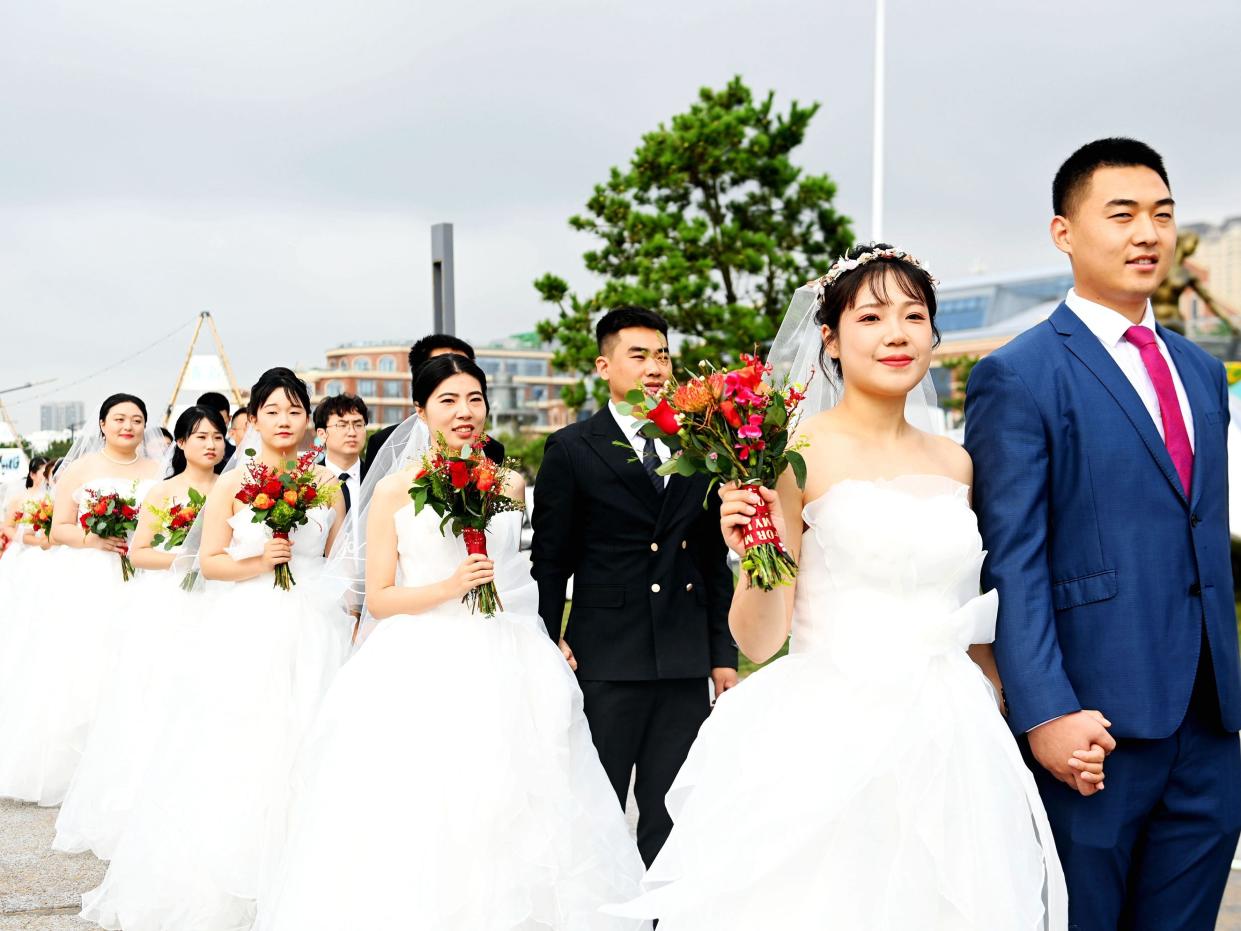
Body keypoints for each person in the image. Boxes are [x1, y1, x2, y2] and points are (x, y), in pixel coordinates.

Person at [609, 245, 1072, 929]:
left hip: (954, 735)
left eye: (914, 316)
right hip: (831, 729)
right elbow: (760, 639)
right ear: (828, 337)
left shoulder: (957, 460)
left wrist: (1002, 713)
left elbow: (974, 618)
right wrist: (753, 551)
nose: (896, 334)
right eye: (872, 316)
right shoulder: (792, 455)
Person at [254, 353, 646, 930]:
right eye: (449, 401)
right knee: (429, 808)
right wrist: (448, 586)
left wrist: (541, 635)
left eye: (475, 399)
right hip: (423, 661)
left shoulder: (508, 481)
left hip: (507, 653)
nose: (465, 412)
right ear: (420, 411)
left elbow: (517, 575)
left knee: (519, 804)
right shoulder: (391, 490)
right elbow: (381, 597)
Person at [965, 138, 1241, 930]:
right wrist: (1044, 711)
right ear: (1063, 233)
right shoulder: (1017, 374)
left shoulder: (1198, 370)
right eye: (1120, 214)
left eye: (1161, 213)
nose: (1146, 233)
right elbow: (1010, 559)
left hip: (1207, 723)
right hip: (1093, 728)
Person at [81, 369, 353, 931]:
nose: (284, 421)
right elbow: (208, 562)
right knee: (242, 741)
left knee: (313, 738)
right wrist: (261, 563)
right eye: (272, 411)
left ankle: (307, 872)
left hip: (315, 624)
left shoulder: (327, 485)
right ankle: (236, 871)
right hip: (247, 622)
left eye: (295, 411)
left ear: (309, 421)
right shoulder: (234, 482)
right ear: (252, 420)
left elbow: (336, 563)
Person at [531, 306, 738, 869]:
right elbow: (551, 562)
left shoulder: (700, 446)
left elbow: (715, 561)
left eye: (663, 355)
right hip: (605, 659)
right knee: (598, 810)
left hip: (683, 658)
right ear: (604, 365)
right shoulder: (572, 449)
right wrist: (550, 640)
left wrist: (722, 653)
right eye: (639, 355)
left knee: (671, 812)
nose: (655, 367)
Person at [54, 405, 226, 860]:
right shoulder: (162, 491)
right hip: (168, 600)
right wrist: (191, 560)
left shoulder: (234, 491)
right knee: (158, 691)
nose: (210, 444)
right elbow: (142, 550)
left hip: (220, 601)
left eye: (217, 436)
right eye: (200, 436)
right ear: (182, 443)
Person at [0, 394, 164, 806]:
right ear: (103, 424)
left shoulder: (159, 470)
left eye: (137, 419)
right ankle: (75, 766)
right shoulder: (80, 469)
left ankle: (129, 763)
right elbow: (58, 530)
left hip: (142, 573)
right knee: (88, 659)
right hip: (91, 575)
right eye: (120, 418)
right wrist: (96, 538)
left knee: (140, 658)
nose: (129, 425)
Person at [361, 333, 504, 477]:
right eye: (440, 364)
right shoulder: (386, 443)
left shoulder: (493, 449)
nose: (454, 368)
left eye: (462, 362)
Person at [312, 393, 367, 513]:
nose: (352, 432)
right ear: (322, 434)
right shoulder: (309, 481)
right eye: (342, 425)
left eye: (358, 425)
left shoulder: (377, 477)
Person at [197, 391, 237, 474]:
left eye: (221, 422)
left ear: (229, 419)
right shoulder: (185, 455)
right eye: (210, 422)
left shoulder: (237, 455)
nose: (216, 429)